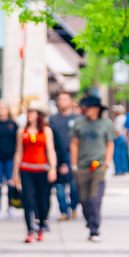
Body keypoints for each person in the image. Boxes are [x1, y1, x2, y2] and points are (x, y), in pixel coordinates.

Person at [69, 95, 114, 241]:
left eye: (88, 107)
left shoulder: (106, 123)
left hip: (98, 166)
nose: (85, 110)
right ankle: (90, 222)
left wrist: (106, 163)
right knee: (84, 200)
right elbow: (74, 144)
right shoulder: (79, 122)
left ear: (96, 109)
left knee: (95, 198)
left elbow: (110, 144)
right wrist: (74, 165)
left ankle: (94, 229)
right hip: (82, 166)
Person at [11, 103, 57, 242]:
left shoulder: (46, 131)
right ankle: (30, 231)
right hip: (26, 170)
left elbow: (50, 150)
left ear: (39, 115)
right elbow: (19, 151)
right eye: (28, 112)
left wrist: (53, 167)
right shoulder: (21, 131)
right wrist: (15, 173)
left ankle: (42, 225)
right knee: (28, 200)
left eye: (32, 112)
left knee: (43, 201)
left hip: (42, 169)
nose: (29, 115)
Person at [48, 92, 79, 220]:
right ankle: (63, 211)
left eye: (65, 99)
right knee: (59, 185)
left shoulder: (77, 119)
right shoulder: (53, 119)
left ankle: (74, 207)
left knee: (74, 185)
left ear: (71, 102)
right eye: (60, 99)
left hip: (74, 154)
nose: (62, 102)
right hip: (58, 154)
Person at [112, 106, 129, 175]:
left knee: (117, 154)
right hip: (124, 137)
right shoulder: (125, 117)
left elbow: (117, 130)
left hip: (119, 137)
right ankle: (124, 169)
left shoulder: (118, 118)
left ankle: (118, 170)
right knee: (123, 154)